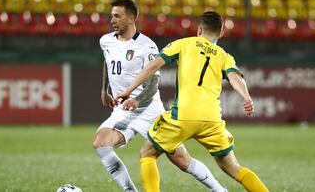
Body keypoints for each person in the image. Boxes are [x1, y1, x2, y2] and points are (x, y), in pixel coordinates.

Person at [115, 11, 269, 192]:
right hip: (212, 120)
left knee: (147, 153)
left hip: (183, 116)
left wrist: (128, 90)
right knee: (234, 168)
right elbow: (235, 78)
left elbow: (153, 66)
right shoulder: (224, 56)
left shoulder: (183, 44)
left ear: (199, 29)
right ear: (221, 33)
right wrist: (247, 97)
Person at [93, 0, 227, 192]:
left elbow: (153, 83)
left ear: (131, 18)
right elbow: (108, 62)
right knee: (101, 143)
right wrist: (104, 89)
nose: (112, 20)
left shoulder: (147, 46)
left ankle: (219, 189)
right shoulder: (105, 41)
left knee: (181, 160)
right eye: (111, 16)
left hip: (149, 110)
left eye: (117, 16)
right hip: (123, 111)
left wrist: (136, 99)